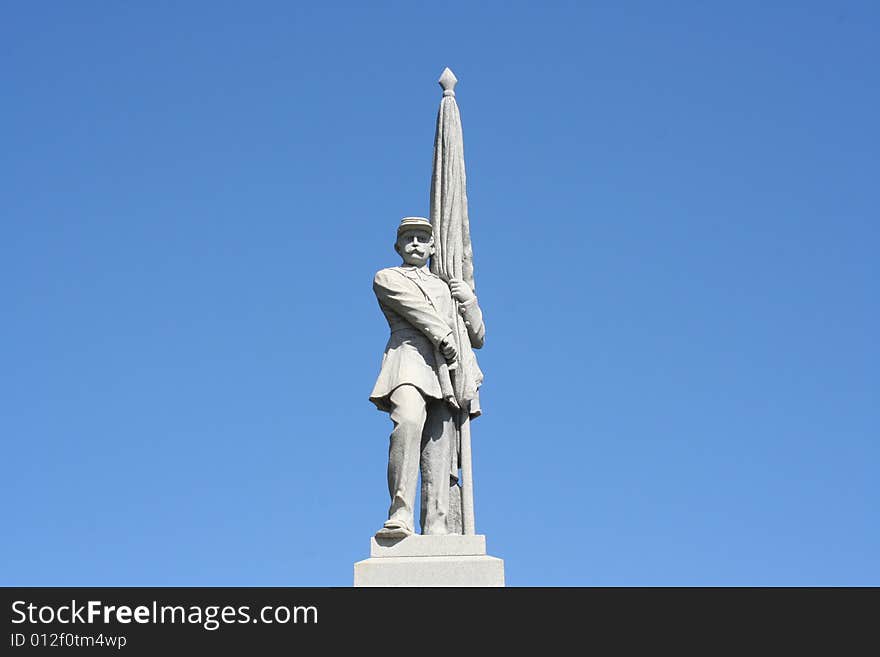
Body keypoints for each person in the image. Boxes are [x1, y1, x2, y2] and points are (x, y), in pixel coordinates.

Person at [369, 216, 485, 538]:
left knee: (440, 450)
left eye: (423, 238)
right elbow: (415, 308)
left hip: (445, 372)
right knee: (407, 422)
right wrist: (443, 335)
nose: (416, 243)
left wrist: (468, 300)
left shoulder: (448, 288)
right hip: (409, 361)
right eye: (410, 238)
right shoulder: (388, 277)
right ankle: (400, 512)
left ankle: (437, 523)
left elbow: (477, 336)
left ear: (434, 246)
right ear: (398, 246)